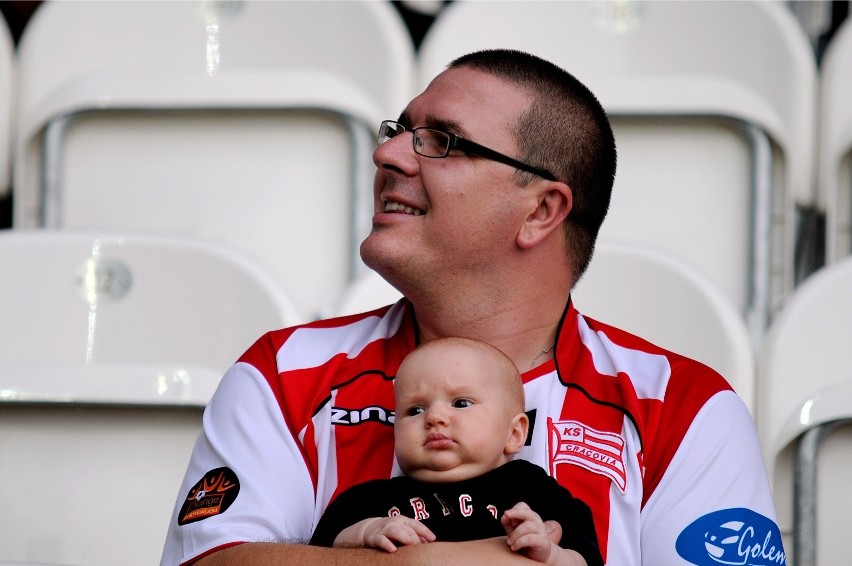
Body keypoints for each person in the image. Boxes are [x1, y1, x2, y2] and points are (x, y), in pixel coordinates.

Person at [161, 49, 785, 565]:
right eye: (398, 130)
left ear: (541, 211)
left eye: (441, 140)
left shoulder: (684, 410)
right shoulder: (284, 372)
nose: (389, 154)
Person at [309, 337, 603, 566]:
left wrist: (551, 555)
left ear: (514, 434)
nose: (434, 417)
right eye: (415, 409)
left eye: (461, 403)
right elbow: (319, 551)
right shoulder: (370, 500)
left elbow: (587, 556)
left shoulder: (531, 488)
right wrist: (366, 533)